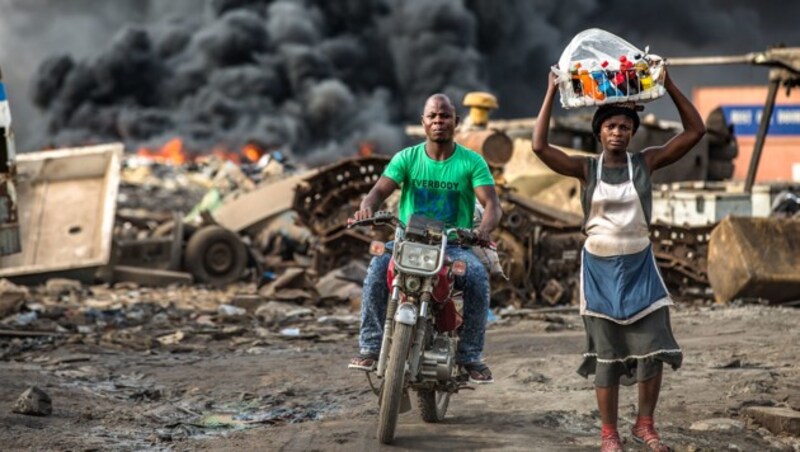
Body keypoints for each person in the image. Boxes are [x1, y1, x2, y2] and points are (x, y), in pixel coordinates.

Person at [532, 70, 705, 451]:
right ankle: (609, 434)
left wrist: (670, 85)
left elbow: (696, 131)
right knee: (607, 356)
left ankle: (645, 425)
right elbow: (540, 148)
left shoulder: (645, 162)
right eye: (610, 126)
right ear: (599, 132)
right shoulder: (585, 168)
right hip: (599, 271)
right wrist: (549, 92)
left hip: (641, 268)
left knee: (654, 347)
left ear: (632, 132)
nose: (618, 132)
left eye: (625, 126)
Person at [348, 93, 502, 384]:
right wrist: (367, 206)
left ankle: (470, 355)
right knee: (378, 267)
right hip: (408, 241)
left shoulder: (472, 162)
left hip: (452, 246)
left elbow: (492, 204)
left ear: (455, 122)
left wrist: (483, 231)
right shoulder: (407, 158)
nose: (438, 121)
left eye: (444, 116)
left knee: (478, 278)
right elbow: (379, 190)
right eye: (432, 116)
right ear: (423, 122)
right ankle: (370, 347)